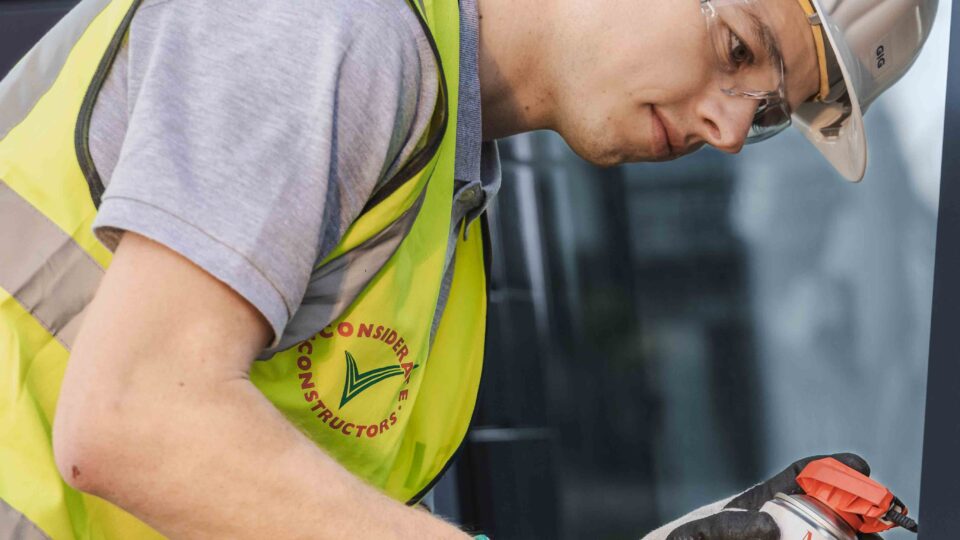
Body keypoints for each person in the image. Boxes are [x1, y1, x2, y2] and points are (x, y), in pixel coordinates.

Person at [0, 0, 935, 538]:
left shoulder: (443, 208)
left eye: (768, 113)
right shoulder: (332, 24)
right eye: (737, 50)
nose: (729, 132)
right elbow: (131, 416)